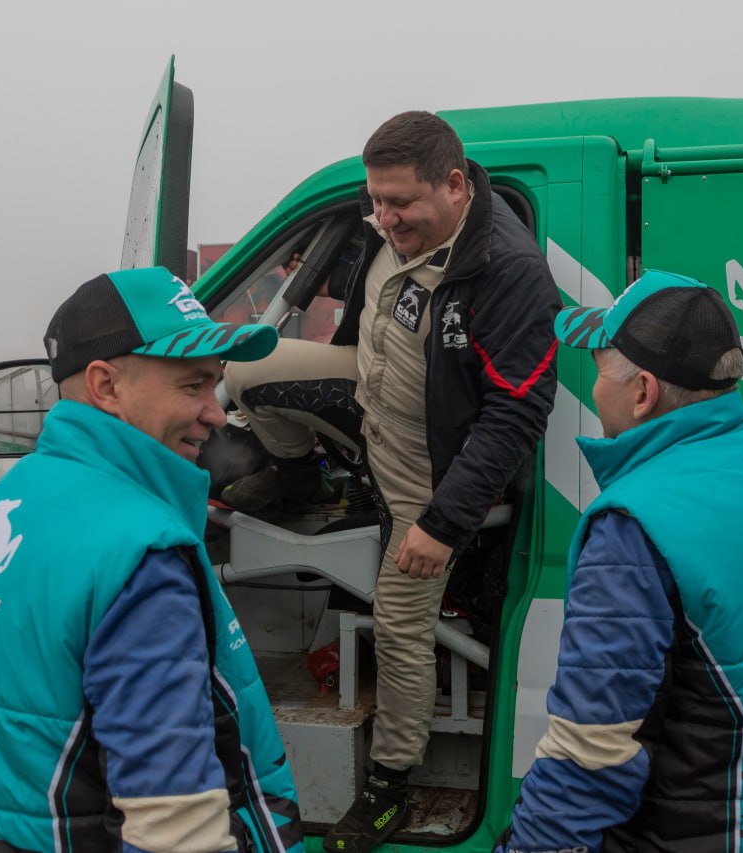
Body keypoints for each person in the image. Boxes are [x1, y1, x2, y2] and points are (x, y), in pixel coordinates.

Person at [221, 110, 562, 851]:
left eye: (400, 203)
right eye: (375, 201)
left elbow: (518, 412)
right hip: (367, 403)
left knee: (401, 623)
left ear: (454, 184)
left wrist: (443, 523)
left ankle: (389, 786)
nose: (383, 217)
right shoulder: (390, 225)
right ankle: (296, 474)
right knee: (246, 363)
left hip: (425, 465)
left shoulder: (506, 271)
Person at [0, 267, 305, 853]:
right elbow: (176, 832)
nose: (217, 412)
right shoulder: (138, 553)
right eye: (193, 385)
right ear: (106, 386)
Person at [497, 270, 743, 852]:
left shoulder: (635, 527)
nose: (595, 385)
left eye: (601, 368)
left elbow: (590, 755)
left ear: (643, 393)